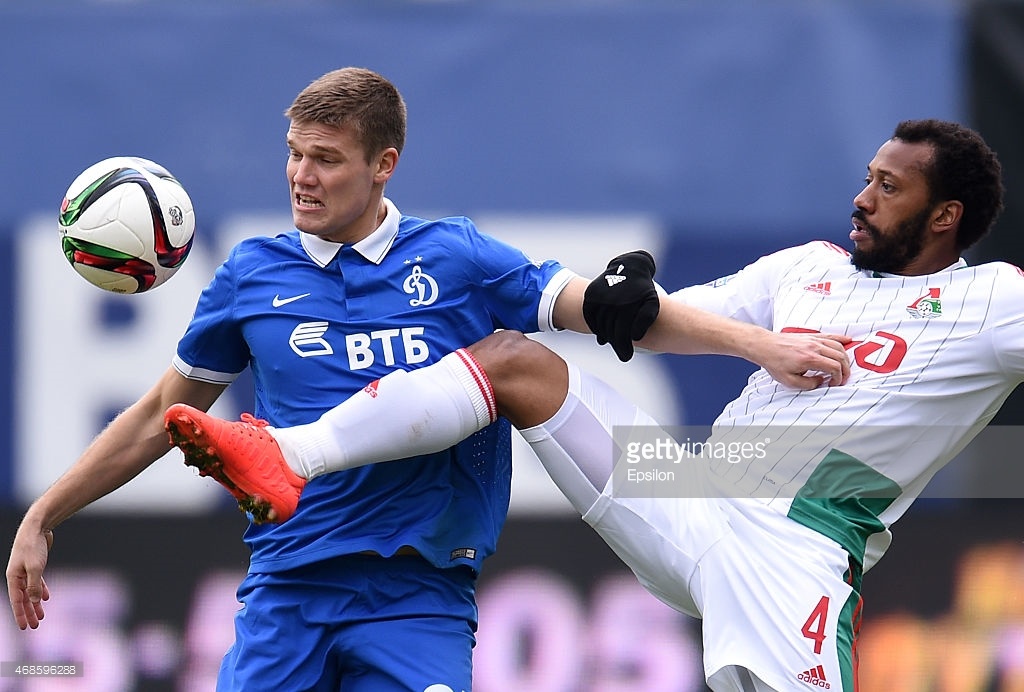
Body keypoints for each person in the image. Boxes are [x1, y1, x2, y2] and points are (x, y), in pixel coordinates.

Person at [5, 67, 850, 690]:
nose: (302, 176)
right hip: (285, 588)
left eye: (327, 159)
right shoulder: (249, 274)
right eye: (295, 155)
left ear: (385, 165)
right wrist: (46, 513)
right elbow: (163, 413)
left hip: (418, 594)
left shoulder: (458, 258)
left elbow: (615, 309)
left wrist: (757, 345)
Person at [158, 119, 1014, 691]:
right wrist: (628, 298)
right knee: (515, 363)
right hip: (691, 480)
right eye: (868, 177)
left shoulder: (995, 302)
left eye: (890, 188)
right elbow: (666, 323)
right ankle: (291, 453)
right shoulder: (810, 267)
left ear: (945, 216)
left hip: (798, 537)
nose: (863, 197)